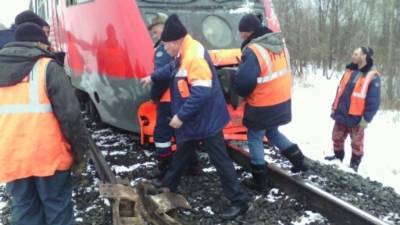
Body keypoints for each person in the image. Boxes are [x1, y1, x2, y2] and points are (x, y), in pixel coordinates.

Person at [142, 14, 249, 220]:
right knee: (182, 154)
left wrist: (180, 117)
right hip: (194, 120)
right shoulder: (184, 51)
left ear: (175, 41)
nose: (164, 49)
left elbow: (201, 93)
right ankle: (168, 186)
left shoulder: (194, 57)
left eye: (165, 45)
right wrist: (152, 77)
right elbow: (172, 68)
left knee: (220, 160)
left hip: (206, 120)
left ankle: (239, 201)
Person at [0, 22, 90, 225]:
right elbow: (70, 115)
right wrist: (79, 151)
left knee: (24, 207)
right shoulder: (47, 67)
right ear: (39, 44)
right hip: (48, 156)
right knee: (57, 207)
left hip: (11, 157)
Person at [233, 14, 308, 190]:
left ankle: (260, 181)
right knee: (272, 132)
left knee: (255, 137)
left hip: (262, 104)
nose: (242, 36)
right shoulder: (279, 45)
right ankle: (299, 160)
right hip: (281, 100)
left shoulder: (254, 50)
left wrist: (237, 85)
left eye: (242, 33)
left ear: (249, 32)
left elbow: (244, 84)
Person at [325, 47, 380, 172]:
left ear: (364, 56)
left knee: (356, 144)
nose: (353, 56)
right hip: (341, 113)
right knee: (336, 138)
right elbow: (340, 91)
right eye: (353, 53)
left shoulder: (372, 76)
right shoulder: (349, 70)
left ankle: (354, 165)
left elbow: (374, 101)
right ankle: (338, 158)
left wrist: (366, 119)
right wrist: (334, 107)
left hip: (357, 117)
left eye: (356, 54)